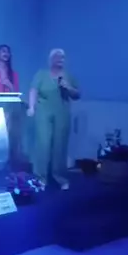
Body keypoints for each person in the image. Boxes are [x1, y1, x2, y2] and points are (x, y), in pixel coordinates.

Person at [27, 48, 80, 190]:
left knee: (60, 146)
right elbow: (33, 90)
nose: (60, 59)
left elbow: (77, 95)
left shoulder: (68, 76)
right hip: (43, 112)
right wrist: (31, 107)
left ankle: (60, 177)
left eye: (62, 57)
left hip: (62, 113)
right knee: (43, 144)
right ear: (50, 59)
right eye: (57, 56)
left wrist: (68, 87)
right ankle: (40, 178)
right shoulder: (41, 74)